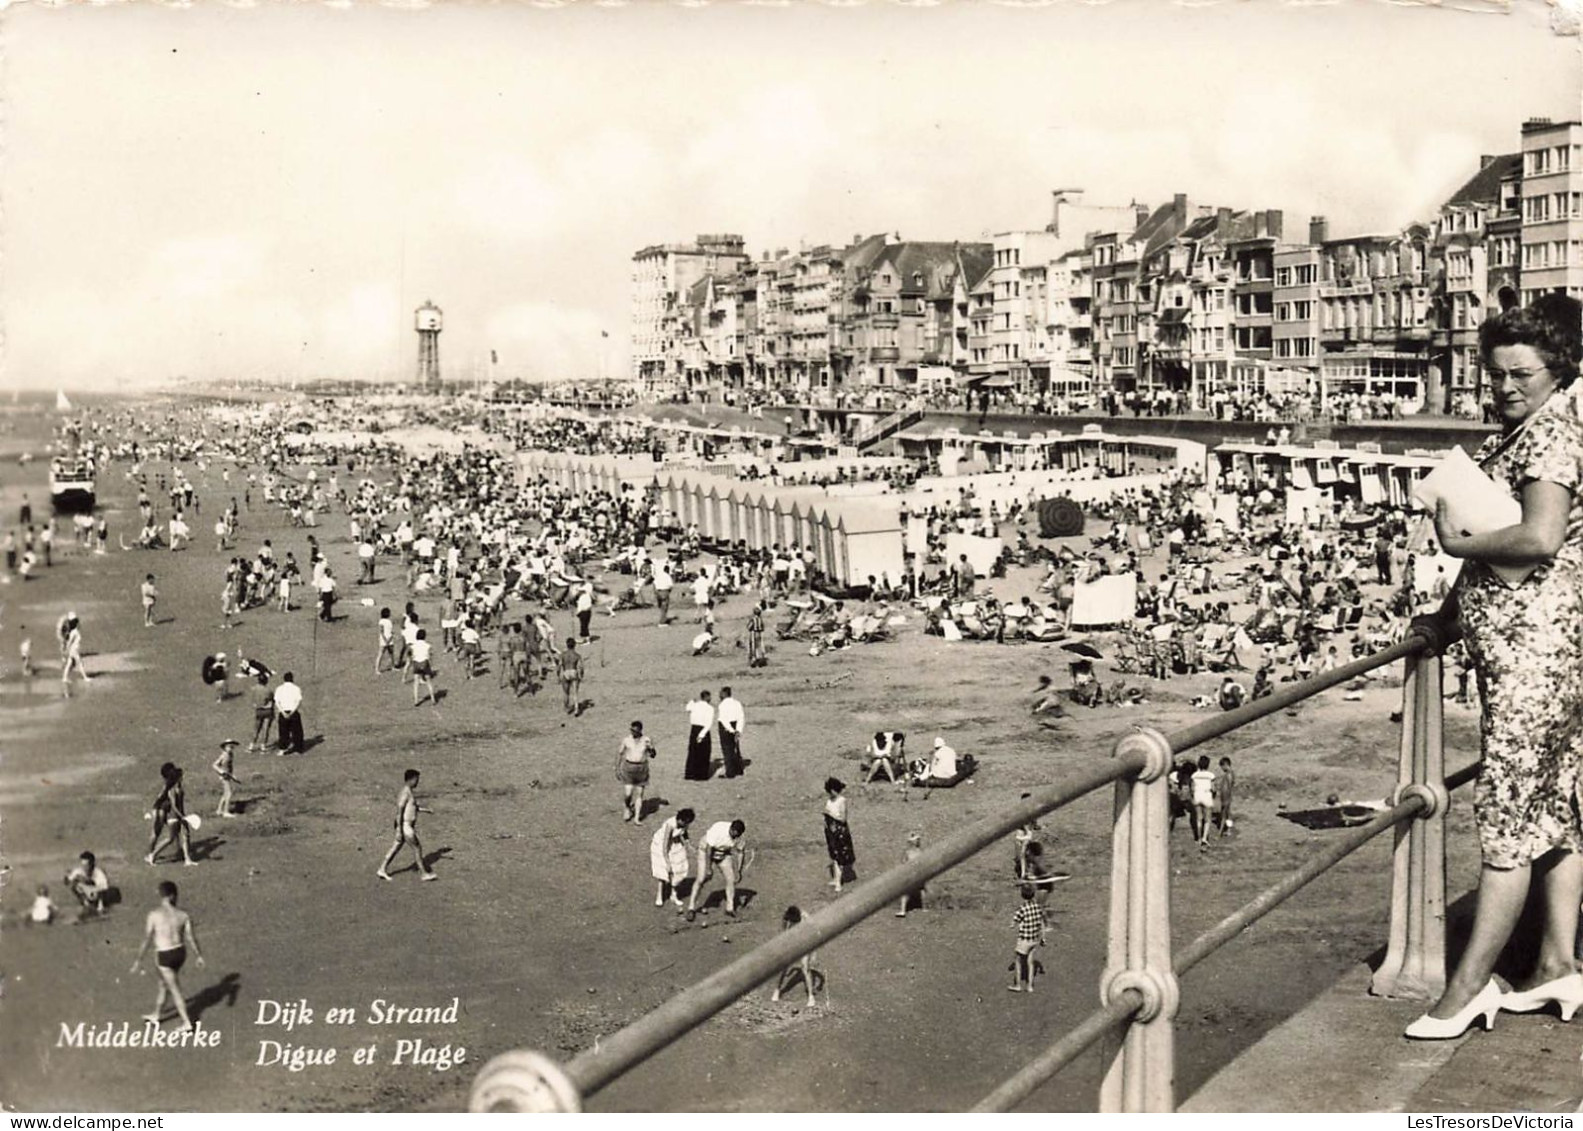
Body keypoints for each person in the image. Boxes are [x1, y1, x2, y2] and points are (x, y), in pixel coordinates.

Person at [1408, 298, 1583, 1039]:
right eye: (1495, 372)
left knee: (1507, 820)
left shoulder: (1549, 438)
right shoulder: (1534, 429)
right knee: (1556, 809)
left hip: (1532, 654)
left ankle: (1466, 990)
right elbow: (1503, 539)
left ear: (1559, 368)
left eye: (1521, 372)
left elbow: (1537, 537)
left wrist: (1454, 544)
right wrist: (1447, 620)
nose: (1505, 385)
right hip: (1546, 647)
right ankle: (1554, 963)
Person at [130, 880, 206, 1030]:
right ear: (173, 896)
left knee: (174, 988)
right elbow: (191, 937)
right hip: (180, 952)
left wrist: (138, 960)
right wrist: (199, 955)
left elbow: (147, 939)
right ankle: (156, 1015)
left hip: (164, 955)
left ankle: (187, 1022)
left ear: (161, 895)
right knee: (163, 984)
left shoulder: (154, 915)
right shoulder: (183, 915)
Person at [377, 769, 438, 881]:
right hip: (405, 826)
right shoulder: (405, 792)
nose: (417, 782)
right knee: (417, 848)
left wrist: (426, 810)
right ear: (411, 779)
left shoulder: (408, 792)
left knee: (395, 847)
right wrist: (400, 829)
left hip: (405, 826)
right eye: (416, 780)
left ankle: (382, 869)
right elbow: (400, 810)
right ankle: (424, 873)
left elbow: (412, 808)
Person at [685, 818, 746, 921]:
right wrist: (709, 868)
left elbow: (740, 853)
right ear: (731, 829)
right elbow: (709, 849)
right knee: (701, 879)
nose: (735, 837)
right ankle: (691, 908)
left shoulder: (739, 836)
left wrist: (739, 871)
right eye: (733, 834)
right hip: (706, 851)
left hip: (723, 854)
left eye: (737, 835)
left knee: (731, 879)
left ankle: (729, 909)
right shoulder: (719, 828)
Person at [145, 762, 196, 867]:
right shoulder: (171, 791)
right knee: (170, 838)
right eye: (181, 777)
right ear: (177, 778)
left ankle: (187, 859)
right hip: (173, 817)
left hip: (179, 816)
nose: (183, 778)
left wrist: (183, 817)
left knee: (185, 835)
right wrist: (182, 817)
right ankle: (152, 854)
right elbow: (174, 806)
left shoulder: (179, 789)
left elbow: (180, 805)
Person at [770, 906, 821, 1006]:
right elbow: (784, 933)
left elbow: (816, 934)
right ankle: (777, 990)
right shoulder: (786, 918)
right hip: (792, 942)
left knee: (805, 968)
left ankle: (811, 997)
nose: (791, 923)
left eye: (793, 922)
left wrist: (814, 953)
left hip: (805, 942)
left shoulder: (807, 919)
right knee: (784, 968)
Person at [649, 807, 694, 908]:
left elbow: (685, 833)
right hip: (660, 845)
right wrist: (667, 862)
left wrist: (688, 844)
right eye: (685, 822)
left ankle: (673, 895)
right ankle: (659, 895)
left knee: (678, 867)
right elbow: (664, 846)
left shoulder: (684, 824)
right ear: (680, 819)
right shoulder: (670, 825)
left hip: (674, 842)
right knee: (663, 870)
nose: (686, 825)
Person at [616, 720, 657, 823]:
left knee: (639, 794)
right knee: (628, 793)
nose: (633, 732)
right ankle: (627, 807)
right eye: (631, 730)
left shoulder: (646, 740)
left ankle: (637, 818)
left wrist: (651, 748)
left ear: (640, 731)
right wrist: (617, 768)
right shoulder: (626, 740)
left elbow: (653, 755)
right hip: (628, 767)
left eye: (635, 731)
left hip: (642, 768)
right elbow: (620, 754)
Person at [1009, 883, 1047, 993]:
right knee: (1030, 962)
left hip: (1024, 940)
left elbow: (1014, 921)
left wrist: (1013, 924)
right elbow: (1042, 922)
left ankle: (1018, 985)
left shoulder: (1022, 908)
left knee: (1018, 960)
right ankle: (1030, 986)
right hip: (1034, 939)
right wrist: (1043, 937)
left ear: (1022, 895)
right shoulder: (1037, 907)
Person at [823, 778, 856, 892]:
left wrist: (830, 814)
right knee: (834, 856)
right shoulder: (829, 801)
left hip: (840, 832)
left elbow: (843, 818)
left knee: (839, 858)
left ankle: (838, 882)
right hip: (830, 831)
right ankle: (836, 879)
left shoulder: (842, 800)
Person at [64, 851, 110, 916]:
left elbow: (104, 888)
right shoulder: (79, 871)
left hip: (97, 894)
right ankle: (86, 904)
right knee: (76, 885)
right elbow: (67, 881)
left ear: (91, 864)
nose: (84, 868)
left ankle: (99, 906)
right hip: (87, 894)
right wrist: (68, 877)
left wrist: (100, 904)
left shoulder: (98, 873)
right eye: (82, 865)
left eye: (86, 865)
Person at [684, 690, 714, 781]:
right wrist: (702, 735)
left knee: (693, 751)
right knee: (703, 753)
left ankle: (690, 773)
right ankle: (700, 775)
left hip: (694, 729)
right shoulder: (710, 708)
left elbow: (687, 708)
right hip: (703, 729)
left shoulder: (694, 705)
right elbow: (709, 723)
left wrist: (692, 701)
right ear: (707, 697)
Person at [717, 686, 745, 778]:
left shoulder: (722, 705)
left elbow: (723, 720)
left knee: (727, 749)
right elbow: (741, 717)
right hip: (735, 725)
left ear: (724, 694)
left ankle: (730, 772)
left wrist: (731, 730)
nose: (719, 695)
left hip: (726, 728)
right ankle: (738, 769)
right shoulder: (737, 703)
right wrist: (738, 730)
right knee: (735, 747)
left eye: (721, 693)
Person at [273, 672, 305, 755]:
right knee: (297, 731)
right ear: (292, 679)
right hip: (293, 712)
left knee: (283, 732)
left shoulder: (279, 689)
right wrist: (293, 712)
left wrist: (283, 712)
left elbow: (277, 702)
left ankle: (282, 749)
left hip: (283, 712)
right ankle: (298, 749)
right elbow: (298, 701)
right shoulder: (296, 688)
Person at [896, 831, 925, 917]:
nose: (918, 842)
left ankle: (923, 907)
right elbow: (903, 863)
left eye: (918, 840)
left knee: (920, 890)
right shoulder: (908, 852)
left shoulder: (919, 852)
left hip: (917, 874)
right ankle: (903, 910)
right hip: (910, 874)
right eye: (916, 840)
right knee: (906, 892)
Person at [1190, 756, 1216, 849]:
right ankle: (1205, 838)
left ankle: (1199, 838)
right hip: (1206, 795)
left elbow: (1192, 788)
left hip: (1197, 795)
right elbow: (1213, 788)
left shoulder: (1194, 775)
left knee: (1199, 818)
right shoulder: (1211, 775)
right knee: (1207, 819)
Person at [557, 636, 585, 717]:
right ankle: (576, 709)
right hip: (573, 671)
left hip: (566, 672)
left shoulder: (563, 655)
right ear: (574, 645)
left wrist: (558, 675)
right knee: (575, 692)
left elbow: (559, 666)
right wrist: (581, 675)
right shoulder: (577, 655)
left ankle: (567, 708)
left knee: (566, 692)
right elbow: (581, 667)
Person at [212, 739, 239, 819]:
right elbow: (214, 765)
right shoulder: (224, 755)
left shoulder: (231, 755)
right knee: (228, 793)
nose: (231, 748)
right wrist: (221, 771)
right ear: (224, 747)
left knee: (225, 794)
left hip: (228, 776)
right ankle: (226, 812)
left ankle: (219, 810)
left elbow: (230, 767)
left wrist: (232, 775)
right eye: (229, 747)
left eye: (232, 746)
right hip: (224, 776)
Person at [410, 629, 437, 707]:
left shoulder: (413, 646)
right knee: (428, 681)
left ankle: (416, 700)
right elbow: (430, 656)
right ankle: (433, 698)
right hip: (425, 663)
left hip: (416, 663)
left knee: (416, 683)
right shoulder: (428, 645)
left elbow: (411, 655)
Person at [1215, 756, 1236, 836]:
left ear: (1225, 765)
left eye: (1222, 766)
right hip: (1226, 796)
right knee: (1227, 814)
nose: (1222, 769)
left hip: (1226, 797)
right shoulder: (1228, 774)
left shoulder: (1229, 774)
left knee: (1224, 815)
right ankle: (1229, 830)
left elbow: (1229, 786)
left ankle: (1220, 832)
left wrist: (1227, 797)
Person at [375, 607, 396, 675]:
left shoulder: (389, 621)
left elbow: (391, 631)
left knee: (391, 654)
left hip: (389, 639)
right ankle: (377, 669)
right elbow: (381, 631)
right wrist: (385, 640)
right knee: (381, 654)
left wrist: (390, 638)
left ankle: (393, 666)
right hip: (384, 640)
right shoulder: (381, 621)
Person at [746, 601, 767, 668]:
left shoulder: (752, 619)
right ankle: (761, 659)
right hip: (760, 633)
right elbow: (763, 627)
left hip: (753, 633)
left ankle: (754, 660)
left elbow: (748, 627)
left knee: (753, 646)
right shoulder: (760, 619)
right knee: (760, 646)